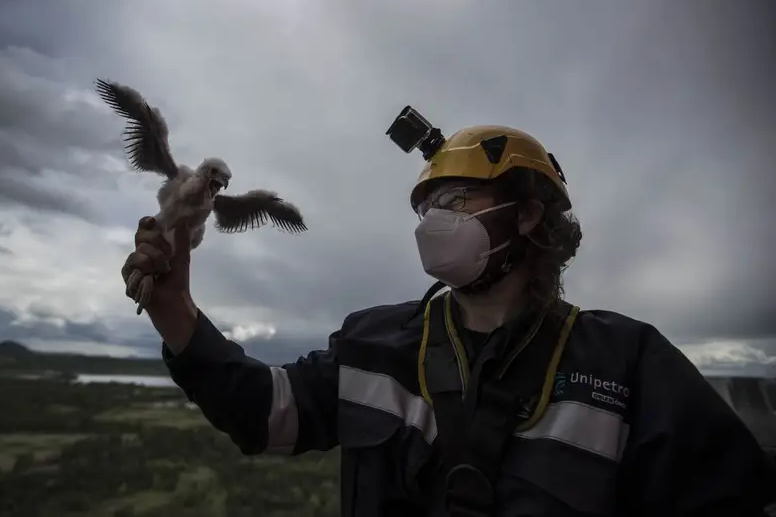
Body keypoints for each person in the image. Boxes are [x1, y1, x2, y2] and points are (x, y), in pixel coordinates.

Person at [122, 125, 772, 516]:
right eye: (427, 206)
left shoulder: (629, 365)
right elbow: (263, 412)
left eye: (457, 199)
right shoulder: (372, 344)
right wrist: (173, 305)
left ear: (527, 216)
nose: (435, 220)